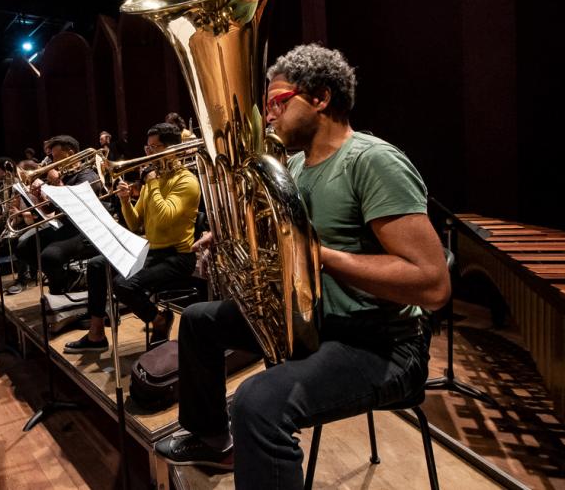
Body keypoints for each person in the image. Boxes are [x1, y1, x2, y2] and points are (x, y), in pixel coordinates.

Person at [153, 44, 450, 488]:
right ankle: (213, 440)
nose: (268, 115)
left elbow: (431, 285)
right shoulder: (291, 166)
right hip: (310, 321)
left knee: (256, 403)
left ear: (321, 98)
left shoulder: (372, 161)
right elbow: (279, 240)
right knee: (199, 320)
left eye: (277, 102)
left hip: (381, 344)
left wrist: (319, 257)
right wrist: (234, 236)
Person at [65, 123, 200, 352]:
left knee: (124, 285)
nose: (148, 154)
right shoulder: (153, 181)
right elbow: (135, 222)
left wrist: (153, 183)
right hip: (152, 250)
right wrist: (126, 200)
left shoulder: (186, 181)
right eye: (147, 148)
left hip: (177, 256)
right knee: (97, 265)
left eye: (154, 148)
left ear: (172, 149)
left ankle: (159, 320)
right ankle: (96, 335)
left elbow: (166, 216)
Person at [8, 135, 100, 295]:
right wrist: (39, 196)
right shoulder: (63, 175)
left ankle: (60, 285)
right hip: (63, 225)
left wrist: (58, 183)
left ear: (70, 153)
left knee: (49, 257)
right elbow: (51, 209)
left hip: (83, 229)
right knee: (23, 248)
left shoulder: (87, 174)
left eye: (55, 156)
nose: (52, 161)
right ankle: (68, 278)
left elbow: (79, 206)